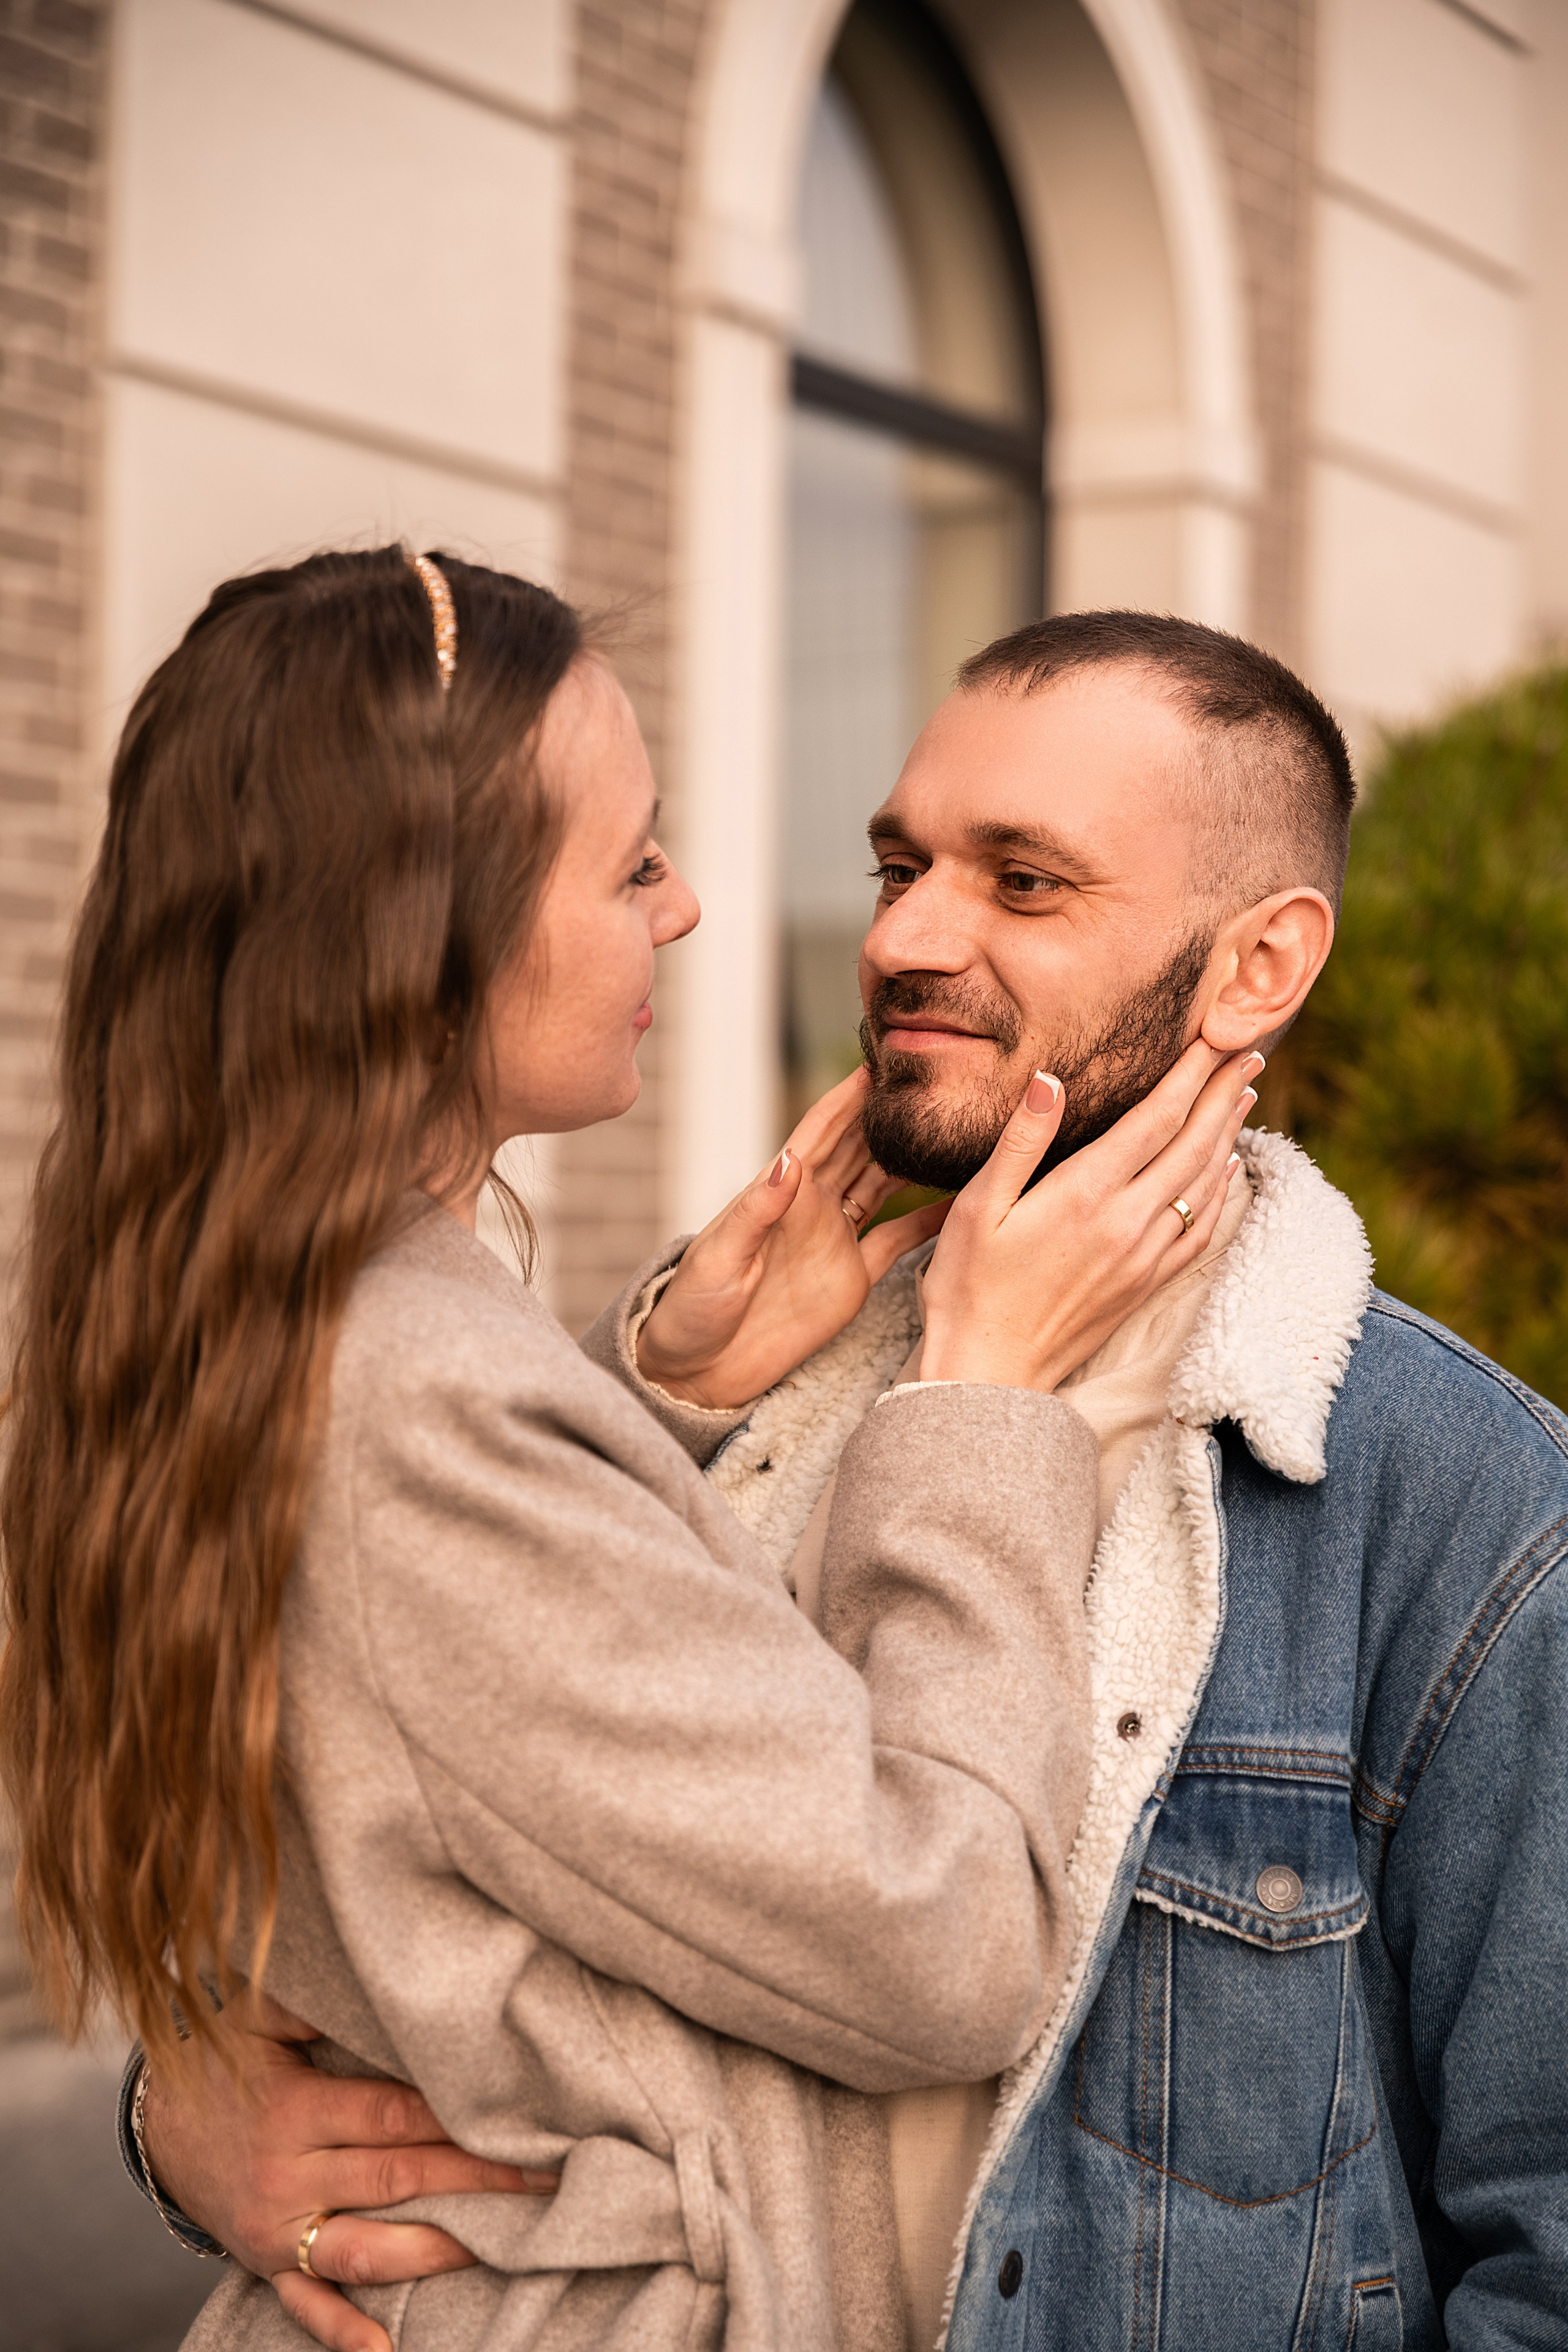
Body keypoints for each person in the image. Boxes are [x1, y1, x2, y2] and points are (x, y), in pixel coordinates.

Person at [138, 611, 1568, 2352]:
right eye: (900, 863)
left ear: (1258, 967)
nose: (905, 936)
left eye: (1023, 882)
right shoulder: (724, 1378)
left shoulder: (1457, 1506)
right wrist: (181, 2101)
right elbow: (425, 1859)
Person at [0, 557, 1254, 2352]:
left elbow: (428, 1734)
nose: (682, 910)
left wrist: (641, 1396)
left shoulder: (257, 1312)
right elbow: (946, 1948)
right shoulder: (418, 1401)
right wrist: (984, 1410)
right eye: (630, 861)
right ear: (428, 933)